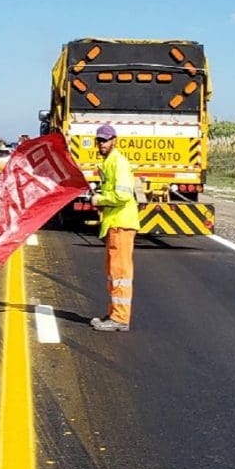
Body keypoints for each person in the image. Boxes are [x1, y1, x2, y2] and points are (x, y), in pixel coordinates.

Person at [89, 123, 140, 332]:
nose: (101, 144)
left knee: (119, 273)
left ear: (114, 141)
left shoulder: (117, 162)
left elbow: (124, 195)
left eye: (105, 140)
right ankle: (114, 314)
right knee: (113, 272)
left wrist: (100, 199)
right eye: (99, 140)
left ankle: (119, 318)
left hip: (121, 223)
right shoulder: (109, 162)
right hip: (115, 224)